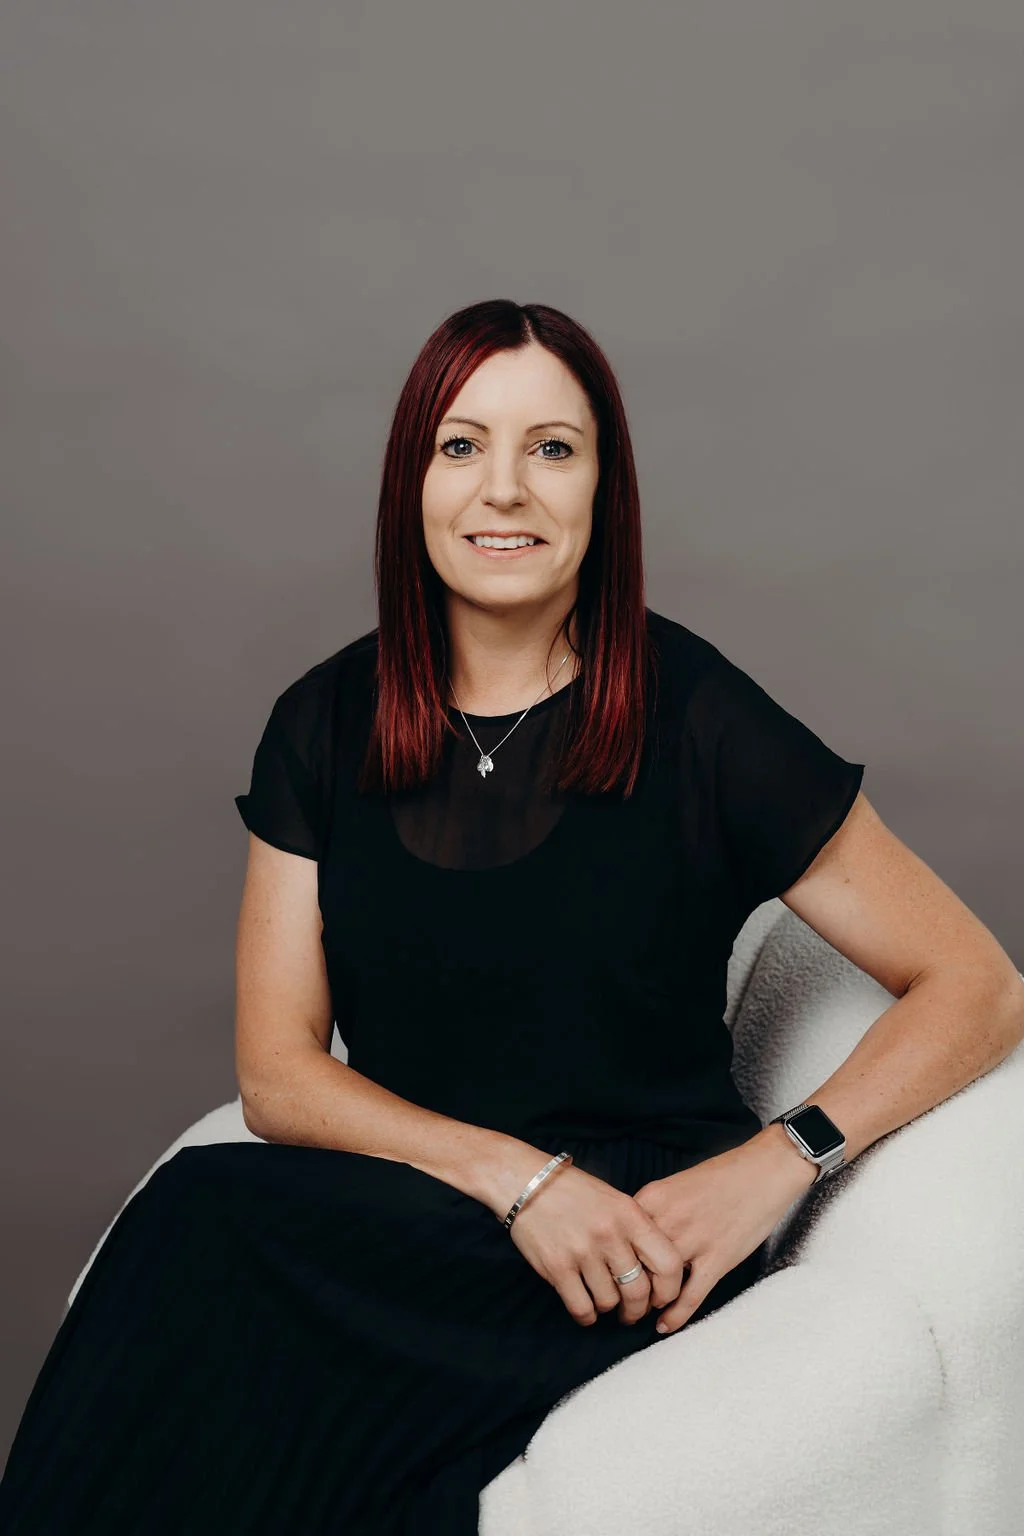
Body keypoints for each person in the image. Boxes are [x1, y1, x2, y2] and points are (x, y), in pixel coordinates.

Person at [0, 297, 920, 1533]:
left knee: (197, 1234)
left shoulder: (699, 712)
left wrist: (779, 1162)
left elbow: (978, 984)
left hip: (638, 1232)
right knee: (198, 1253)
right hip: (437, 1195)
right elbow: (278, 1074)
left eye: (553, 448)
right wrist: (516, 1179)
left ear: (603, 489)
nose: (505, 490)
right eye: (461, 445)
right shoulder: (321, 722)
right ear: (412, 484)